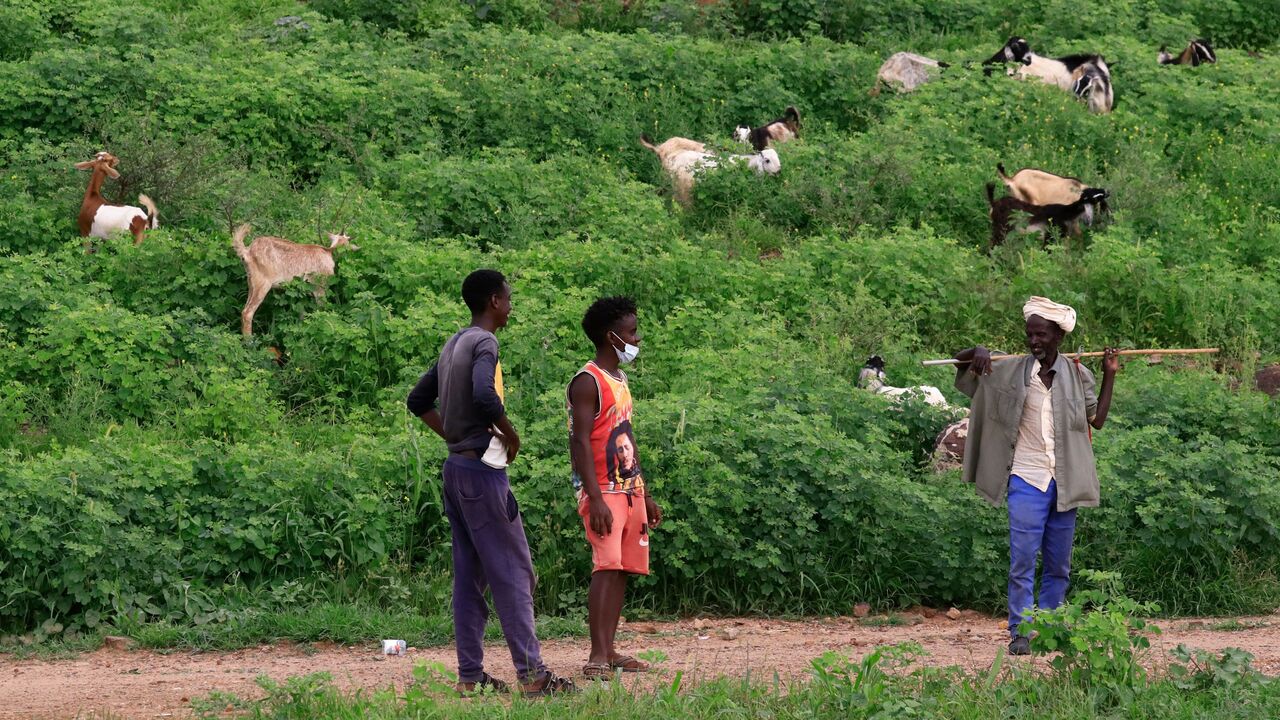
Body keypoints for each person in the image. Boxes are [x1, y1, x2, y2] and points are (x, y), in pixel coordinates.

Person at [406, 269, 575, 696]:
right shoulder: (485, 342)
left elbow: (418, 400)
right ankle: (533, 675)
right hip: (482, 475)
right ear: (495, 302)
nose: (511, 305)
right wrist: (509, 434)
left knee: (469, 575)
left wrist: (454, 438)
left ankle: (470, 676)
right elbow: (485, 395)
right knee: (514, 572)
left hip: (456, 470)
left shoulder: (453, 343)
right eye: (509, 298)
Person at [952, 296, 1120, 656]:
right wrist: (976, 350)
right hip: (1026, 478)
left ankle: (1049, 627)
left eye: (1041, 335)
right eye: (1030, 334)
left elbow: (1098, 420)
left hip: (1064, 480)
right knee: (1023, 559)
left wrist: (1110, 374)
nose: (1034, 341)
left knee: (1058, 564)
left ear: (1058, 336)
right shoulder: (1006, 368)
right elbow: (961, 361)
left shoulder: (1078, 374)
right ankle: (1021, 631)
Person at [567, 296, 662, 679]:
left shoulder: (619, 379)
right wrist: (594, 497)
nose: (636, 338)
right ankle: (596, 657)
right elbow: (580, 442)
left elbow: (625, 436)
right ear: (611, 337)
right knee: (605, 567)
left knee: (621, 569)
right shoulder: (587, 381)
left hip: (627, 486)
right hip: (602, 489)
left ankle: (608, 650)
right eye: (631, 331)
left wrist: (645, 490)